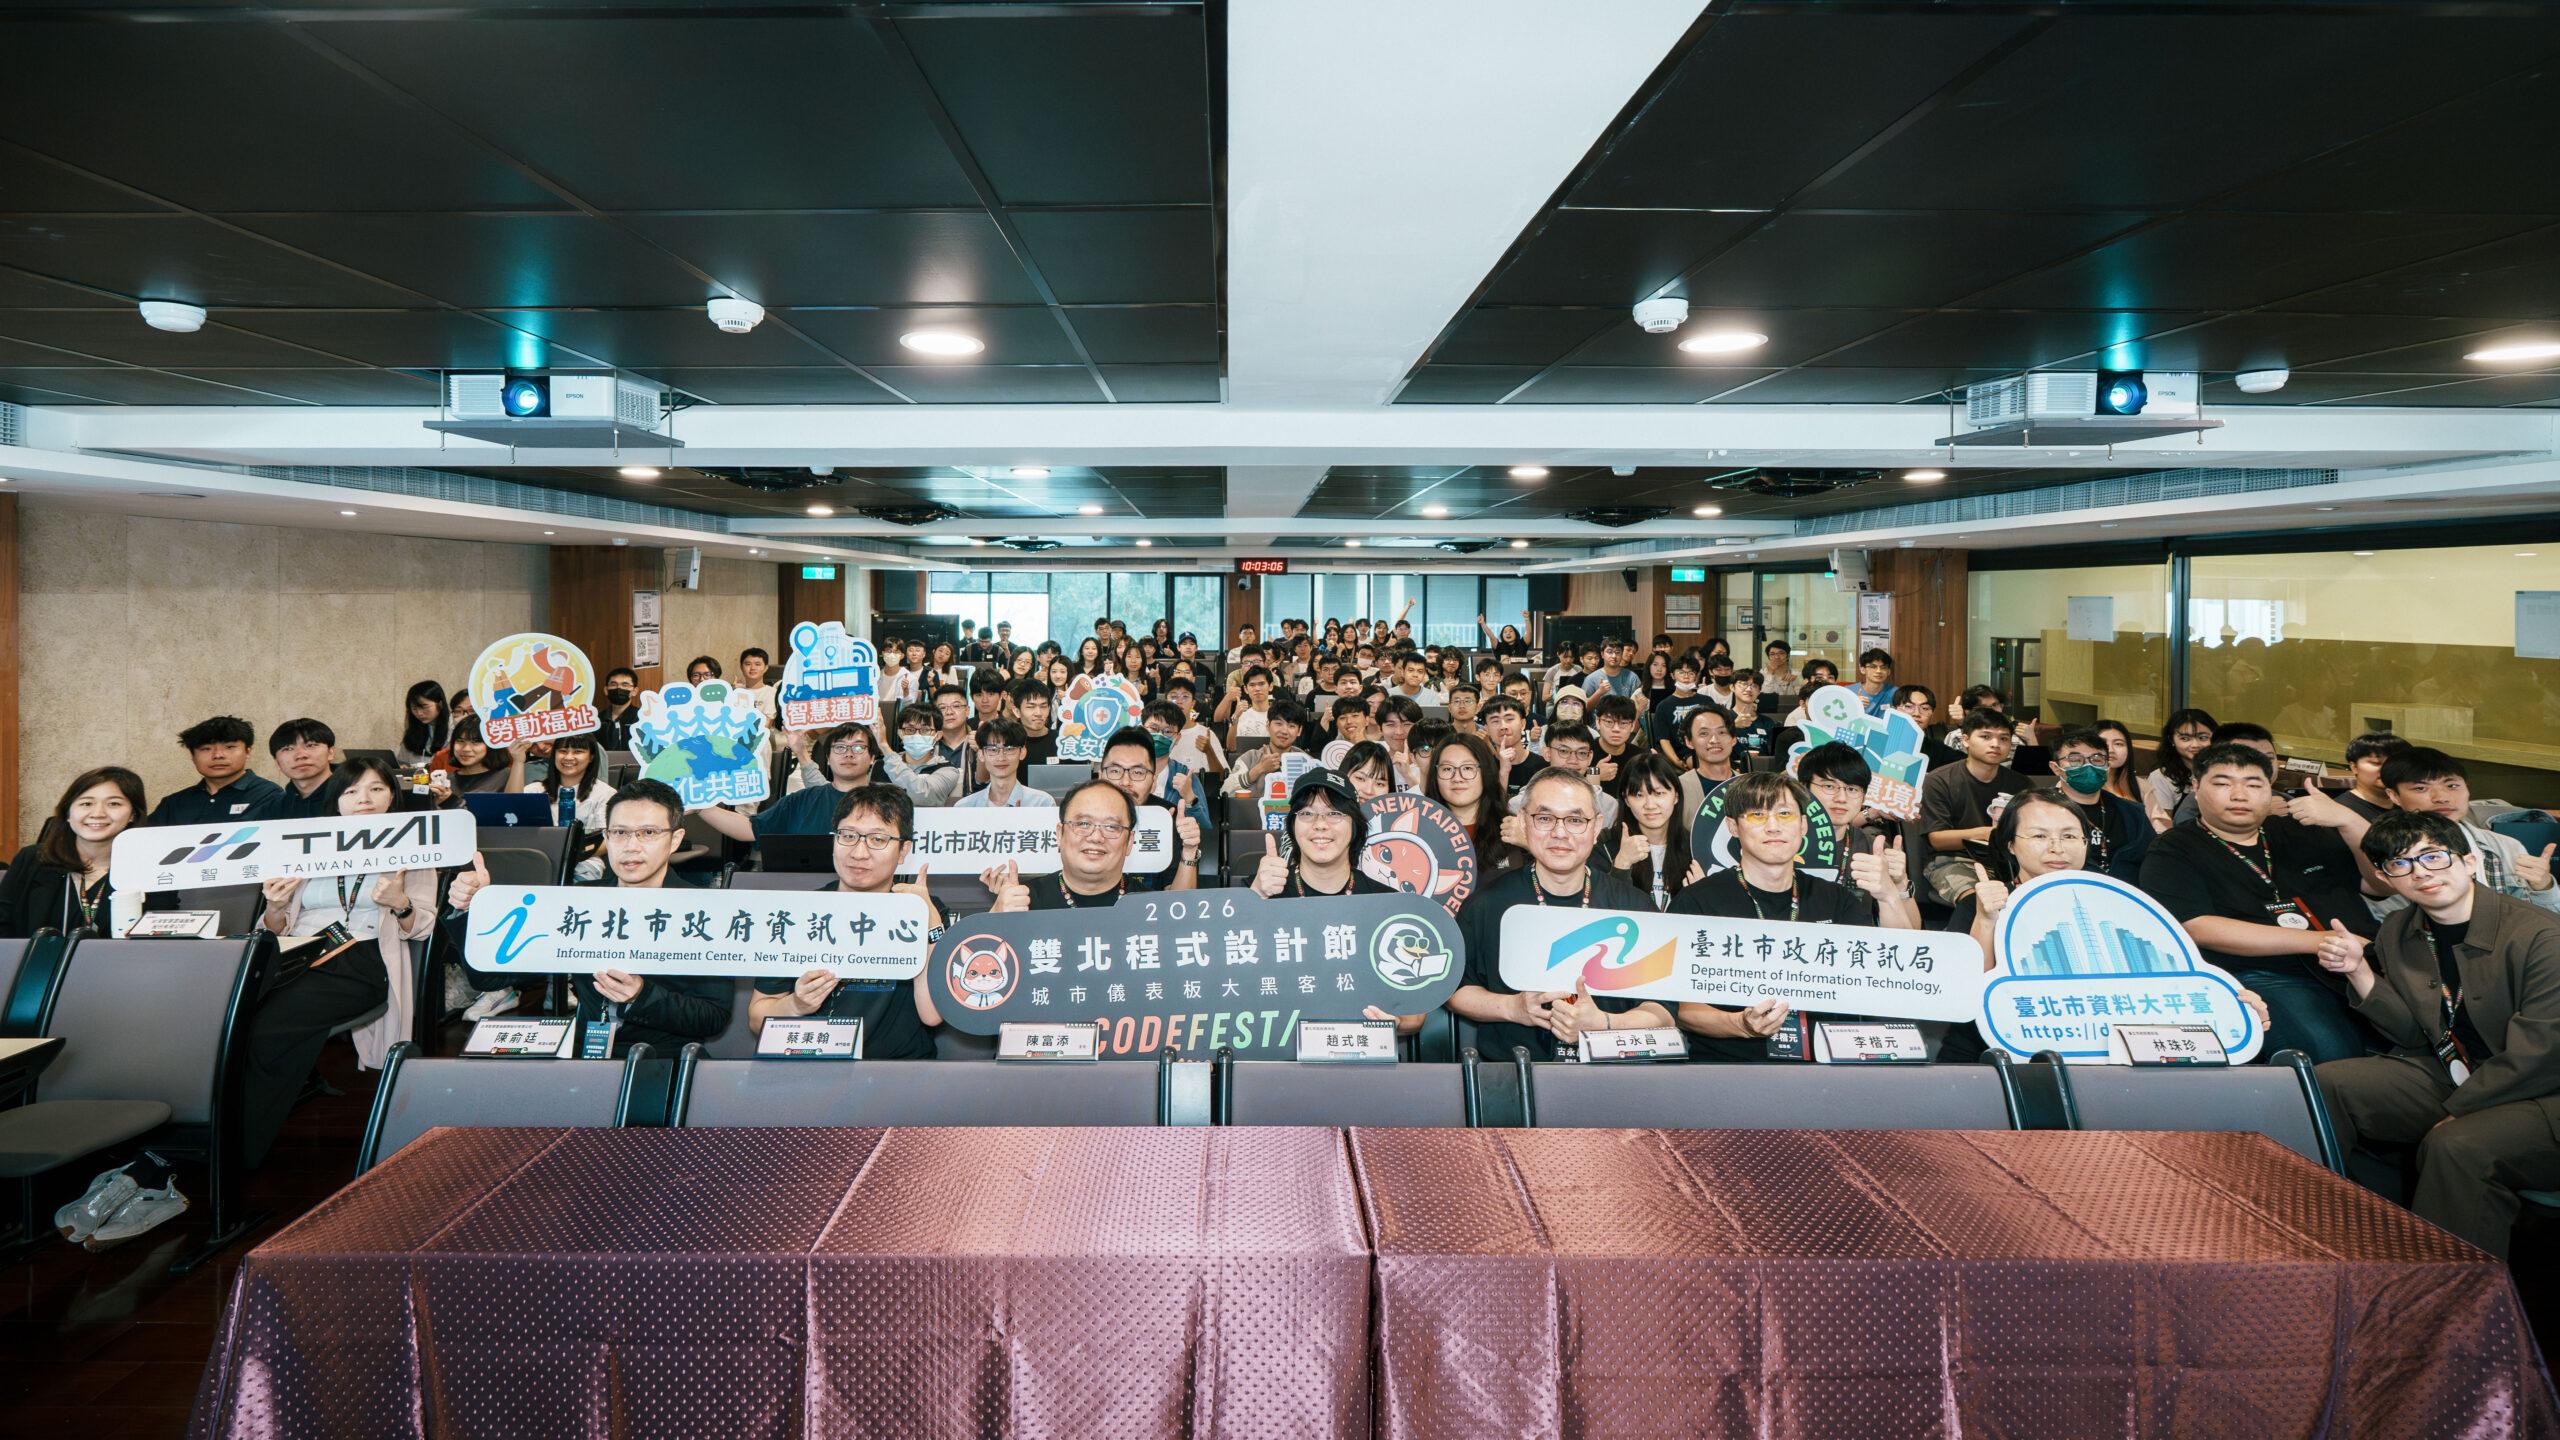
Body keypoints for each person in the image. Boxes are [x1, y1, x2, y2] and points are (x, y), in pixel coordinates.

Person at [2312, 810, 2560, 1259]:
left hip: (2545, 1091)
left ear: (2469, 861)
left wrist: (2456, 1110)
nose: (2421, 873)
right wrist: (2358, 971)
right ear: (2386, 877)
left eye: (2433, 856)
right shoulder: (2398, 930)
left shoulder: (2542, 935)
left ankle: (2450, 1290)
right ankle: (2329, 1239)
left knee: (2456, 1146)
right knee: (2326, 1085)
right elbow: (2413, 1033)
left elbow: (2542, 1054)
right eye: (2400, 863)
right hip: (2459, 1072)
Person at [2138, 743, 2383, 1064]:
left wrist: (2348, 820)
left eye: (2254, 785)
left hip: (2360, 961)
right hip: (2265, 973)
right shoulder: (2174, 848)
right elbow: (2196, 926)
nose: (2240, 795)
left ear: (2270, 789)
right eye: (2223, 783)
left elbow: (2378, 883)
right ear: (2196, 787)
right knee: (2330, 1053)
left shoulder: (2301, 831)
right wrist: (2321, 941)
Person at [450, 778, 731, 1057]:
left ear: (675, 840)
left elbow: (712, 1017)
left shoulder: (705, 912)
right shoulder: (578, 902)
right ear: (606, 837)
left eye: (648, 832)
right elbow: (490, 978)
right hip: (588, 1054)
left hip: (665, 1057)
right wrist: (475, 909)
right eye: (619, 832)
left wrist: (641, 996)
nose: (631, 846)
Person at [246, 756, 438, 1158]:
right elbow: (274, 928)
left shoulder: (413, 848)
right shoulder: (308, 848)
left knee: (265, 1028)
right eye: (351, 791)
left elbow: (422, 927)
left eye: (376, 789)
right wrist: (276, 907)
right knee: (228, 1017)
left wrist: (400, 903)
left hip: (361, 959)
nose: (363, 799)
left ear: (392, 797)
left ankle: (237, 1145)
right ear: (336, 802)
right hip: (296, 953)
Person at [1669, 770, 1918, 1061]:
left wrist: (1889, 896)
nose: (1773, 826)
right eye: (1757, 815)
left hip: (1825, 1065)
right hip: (1731, 1066)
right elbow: (1681, 1009)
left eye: (1785, 814)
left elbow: (1897, 975)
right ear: (1733, 827)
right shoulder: (1697, 902)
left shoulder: (1836, 901)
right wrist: (1740, 1024)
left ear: (1803, 825)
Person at [1449, 770, 1674, 1061]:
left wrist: (1605, 1023)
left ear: (1596, 827)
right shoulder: (1487, 904)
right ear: (1523, 822)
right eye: (1544, 818)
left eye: (1575, 820)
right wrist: (1513, 1008)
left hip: (1613, 1071)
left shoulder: (1634, 907)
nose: (1559, 833)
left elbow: (1663, 1010)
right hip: (1514, 1072)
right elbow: (1456, 990)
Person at [747, 784, 944, 1058]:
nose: (859, 853)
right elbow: (757, 1018)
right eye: (848, 836)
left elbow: (932, 1015)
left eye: (878, 839)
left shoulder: (927, 912)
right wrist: (796, 1005)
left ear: (903, 851)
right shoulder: (796, 914)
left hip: (898, 1070)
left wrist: (929, 920)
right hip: (813, 1063)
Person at [2378, 747, 2560, 914]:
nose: (2442, 798)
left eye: (2452, 786)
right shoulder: (2385, 851)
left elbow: (2546, 922)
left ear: (2467, 789)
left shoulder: (2506, 846)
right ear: (2394, 796)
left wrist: (2544, 886)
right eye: (2420, 788)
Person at [0, 767, 144, 938]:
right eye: (86, 804)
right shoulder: (32, 859)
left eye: (114, 804)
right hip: (33, 955)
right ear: (68, 813)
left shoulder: (148, 871)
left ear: (133, 814)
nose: (98, 814)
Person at [1917, 708, 2029, 904]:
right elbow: (1937, 840)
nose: (1996, 744)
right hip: (1953, 860)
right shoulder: (1939, 780)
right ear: (1966, 740)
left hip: (2009, 861)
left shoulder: (2022, 784)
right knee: (1979, 902)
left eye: (2004, 738)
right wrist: (1986, 834)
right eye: (1986, 737)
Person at [988, 779, 1153, 912]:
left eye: (1111, 826)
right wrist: (996, 919)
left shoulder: (1153, 907)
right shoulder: (1024, 901)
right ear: (1060, 834)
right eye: (1083, 823)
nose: (1096, 837)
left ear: (1129, 842)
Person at [1097, 728, 1203, 891]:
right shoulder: (1076, 815)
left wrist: (1189, 851)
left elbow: (1179, 900)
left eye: (1138, 772)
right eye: (1115, 771)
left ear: (1153, 782)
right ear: (1100, 776)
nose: (1125, 782)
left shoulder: (1168, 817)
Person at [2043, 725, 2151, 881]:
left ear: (2107, 766)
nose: (2088, 766)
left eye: (2097, 759)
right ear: (2056, 768)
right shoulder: (2039, 811)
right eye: (2075, 760)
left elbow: (2152, 860)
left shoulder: (2132, 813)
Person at [147, 715, 284, 826]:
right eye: (206, 749)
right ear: (192, 756)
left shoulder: (269, 795)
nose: (218, 755)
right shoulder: (174, 804)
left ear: (248, 751)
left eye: (229, 747)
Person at [1424, 731, 1522, 877]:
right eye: (1447, 769)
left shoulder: (1512, 829)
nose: (1457, 778)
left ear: (1486, 772)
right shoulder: (1420, 832)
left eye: (1468, 768)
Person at [1604, 754, 1695, 911]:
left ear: (1676, 796)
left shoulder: (1695, 847)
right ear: (1626, 799)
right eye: (1639, 795)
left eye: (1659, 793)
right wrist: (1621, 865)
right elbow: (1598, 910)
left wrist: (1702, 892)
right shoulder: (1605, 845)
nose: (1650, 805)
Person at [2140, 708, 2218, 832]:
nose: (2195, 745)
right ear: (2172, 740)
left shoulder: (2224, 771)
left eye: (2203, 737)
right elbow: (2162, 829)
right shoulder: (2161, 777)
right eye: (2185, 739)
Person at [958, 717, 1055, 809]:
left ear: (1022, 752)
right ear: (981, 755)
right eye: (993, 750)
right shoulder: (965, 807)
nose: (1001, 758)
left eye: (1009, 749)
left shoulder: (1042, 803)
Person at [1225, 699, 1312, 798]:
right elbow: (1225, 791)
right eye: (1279, 724)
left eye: (1291, 726)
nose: (1284, 731)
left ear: (1299, 731)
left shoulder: (1307, 761)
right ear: (1267, 725)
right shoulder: (1250, 758)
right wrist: (1259, 769)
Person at [427, 715, 521, 804]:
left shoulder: (505, 775)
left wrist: (450, 801)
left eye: (475, 742)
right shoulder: (445, 779)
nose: (466, 749)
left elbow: (514, 807)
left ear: (491, 745)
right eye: (460, 741)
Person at [264, 717, 343, 819]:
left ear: (331, 752)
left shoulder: (354, 797)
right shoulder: (272, 810)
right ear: (277, 763)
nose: (301, 755)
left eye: (310, 745)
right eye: (288, 749)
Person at [1674, 705, 1740, 818]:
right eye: (1704, 733)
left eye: (1722, 732)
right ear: (1689, 741)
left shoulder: (1749, 786)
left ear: (1733, 739)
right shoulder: (1678, 788)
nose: (1714, 740)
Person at [1649, 656, 1710, 763]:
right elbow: (1663, 739)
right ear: (1672, 675)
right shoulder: (1664, 706)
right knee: (1699, 762)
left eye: (1691, 673)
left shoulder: (1706, 701)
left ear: (1696, 676)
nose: (1686, 677)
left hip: (1709, 747)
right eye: (1681, 672)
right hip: (1685, 753)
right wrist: (1676, 761)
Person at [2339, 731, 2409, 821]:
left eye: (2395, 763)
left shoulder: (2410, 805)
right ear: (2354, 767)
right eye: (2376, 763)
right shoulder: (2341, 811)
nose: (2387, 769)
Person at [1587, 694, 1643, 795]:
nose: (1616, 729)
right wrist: (1595, 774)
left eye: (1623, 723)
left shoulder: (1640, 757)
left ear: (1632, 726)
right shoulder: (1584, 753)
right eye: (1609, 722)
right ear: (1598, 722)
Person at [396, 680, 450, 769]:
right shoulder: (413, 731)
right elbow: (401, 762)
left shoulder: (453, 728)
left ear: (440, 704)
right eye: (414, 708)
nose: (419, 713)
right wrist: (403, 767)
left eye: (424, 707)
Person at [595, 667, 643, 751]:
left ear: (634, 691)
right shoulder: (597, 720)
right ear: (606, 690)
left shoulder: (641, 719)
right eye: (613, 684)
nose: (619, 688)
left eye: (625, 685)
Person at [1849, 648, 1897, 717]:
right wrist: (1853, 705)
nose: (1878, 671)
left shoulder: (1895, 693)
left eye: (1883, 667)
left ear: (1888, 671)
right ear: (1862, 670)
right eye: (1873, 667)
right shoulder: (1849, 691)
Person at [734, 646, 777, 723]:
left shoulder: (773, 693)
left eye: (757, 664)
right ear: (741, 667)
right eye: (748, 664)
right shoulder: (735, 692)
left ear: (766, 668)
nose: (753, 668)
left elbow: (767, 723)